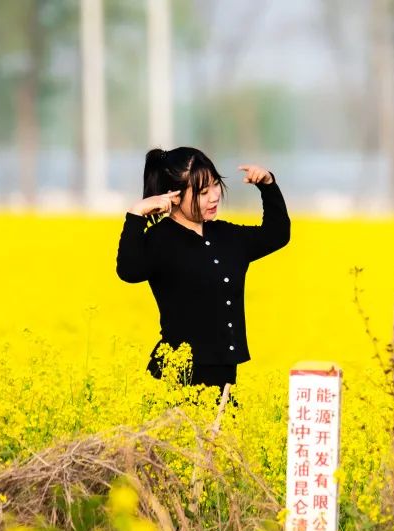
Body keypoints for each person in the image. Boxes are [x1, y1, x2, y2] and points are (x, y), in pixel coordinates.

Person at [116, 147, 290, 394]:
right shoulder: (160, 239)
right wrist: (137, 214)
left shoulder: (227, 236)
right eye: (202, 192)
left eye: (215, 185)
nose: (214, 197)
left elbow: (277, 234)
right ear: (174, 196)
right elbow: (129, 270)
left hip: (223, 377)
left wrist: (268, 185)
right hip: (177, 377)